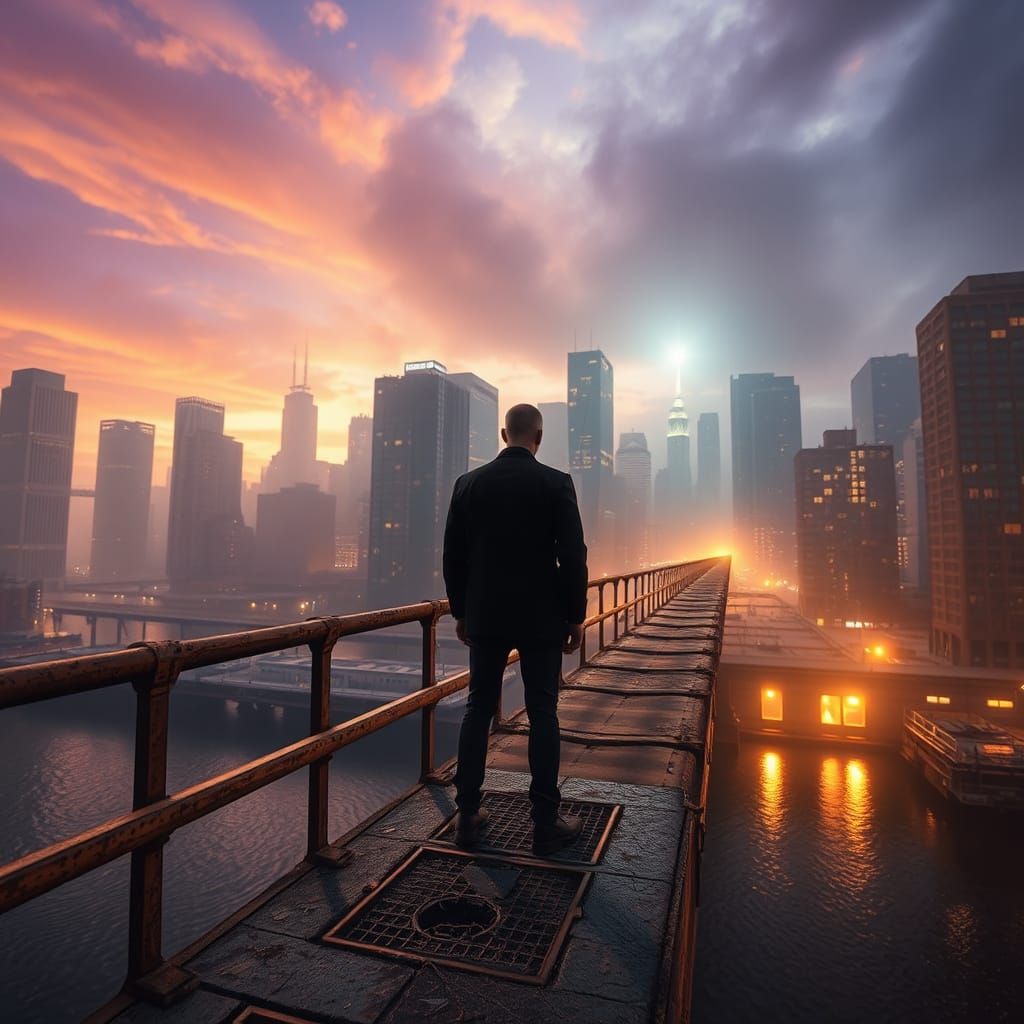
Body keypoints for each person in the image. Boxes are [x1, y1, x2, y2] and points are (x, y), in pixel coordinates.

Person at [443, 403, 588, 855]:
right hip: (541, 617)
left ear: (504, 435)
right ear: (538, 438)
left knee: (477, 708)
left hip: (486, 614)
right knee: (543, 712)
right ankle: (545, 823)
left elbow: (453, 556)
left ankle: (467, 816)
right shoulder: (556, 483)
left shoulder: (468, 484)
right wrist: (576, 615)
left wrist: (461, 612)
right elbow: (573, 556)